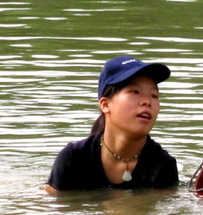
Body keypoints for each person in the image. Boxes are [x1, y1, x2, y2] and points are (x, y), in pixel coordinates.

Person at [45, 55, 179, 193]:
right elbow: (53, 205)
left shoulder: (163, 165)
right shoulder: (75, 158)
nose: (147, 101)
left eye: (154, 95)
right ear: (105, 104)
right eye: (135, 92)